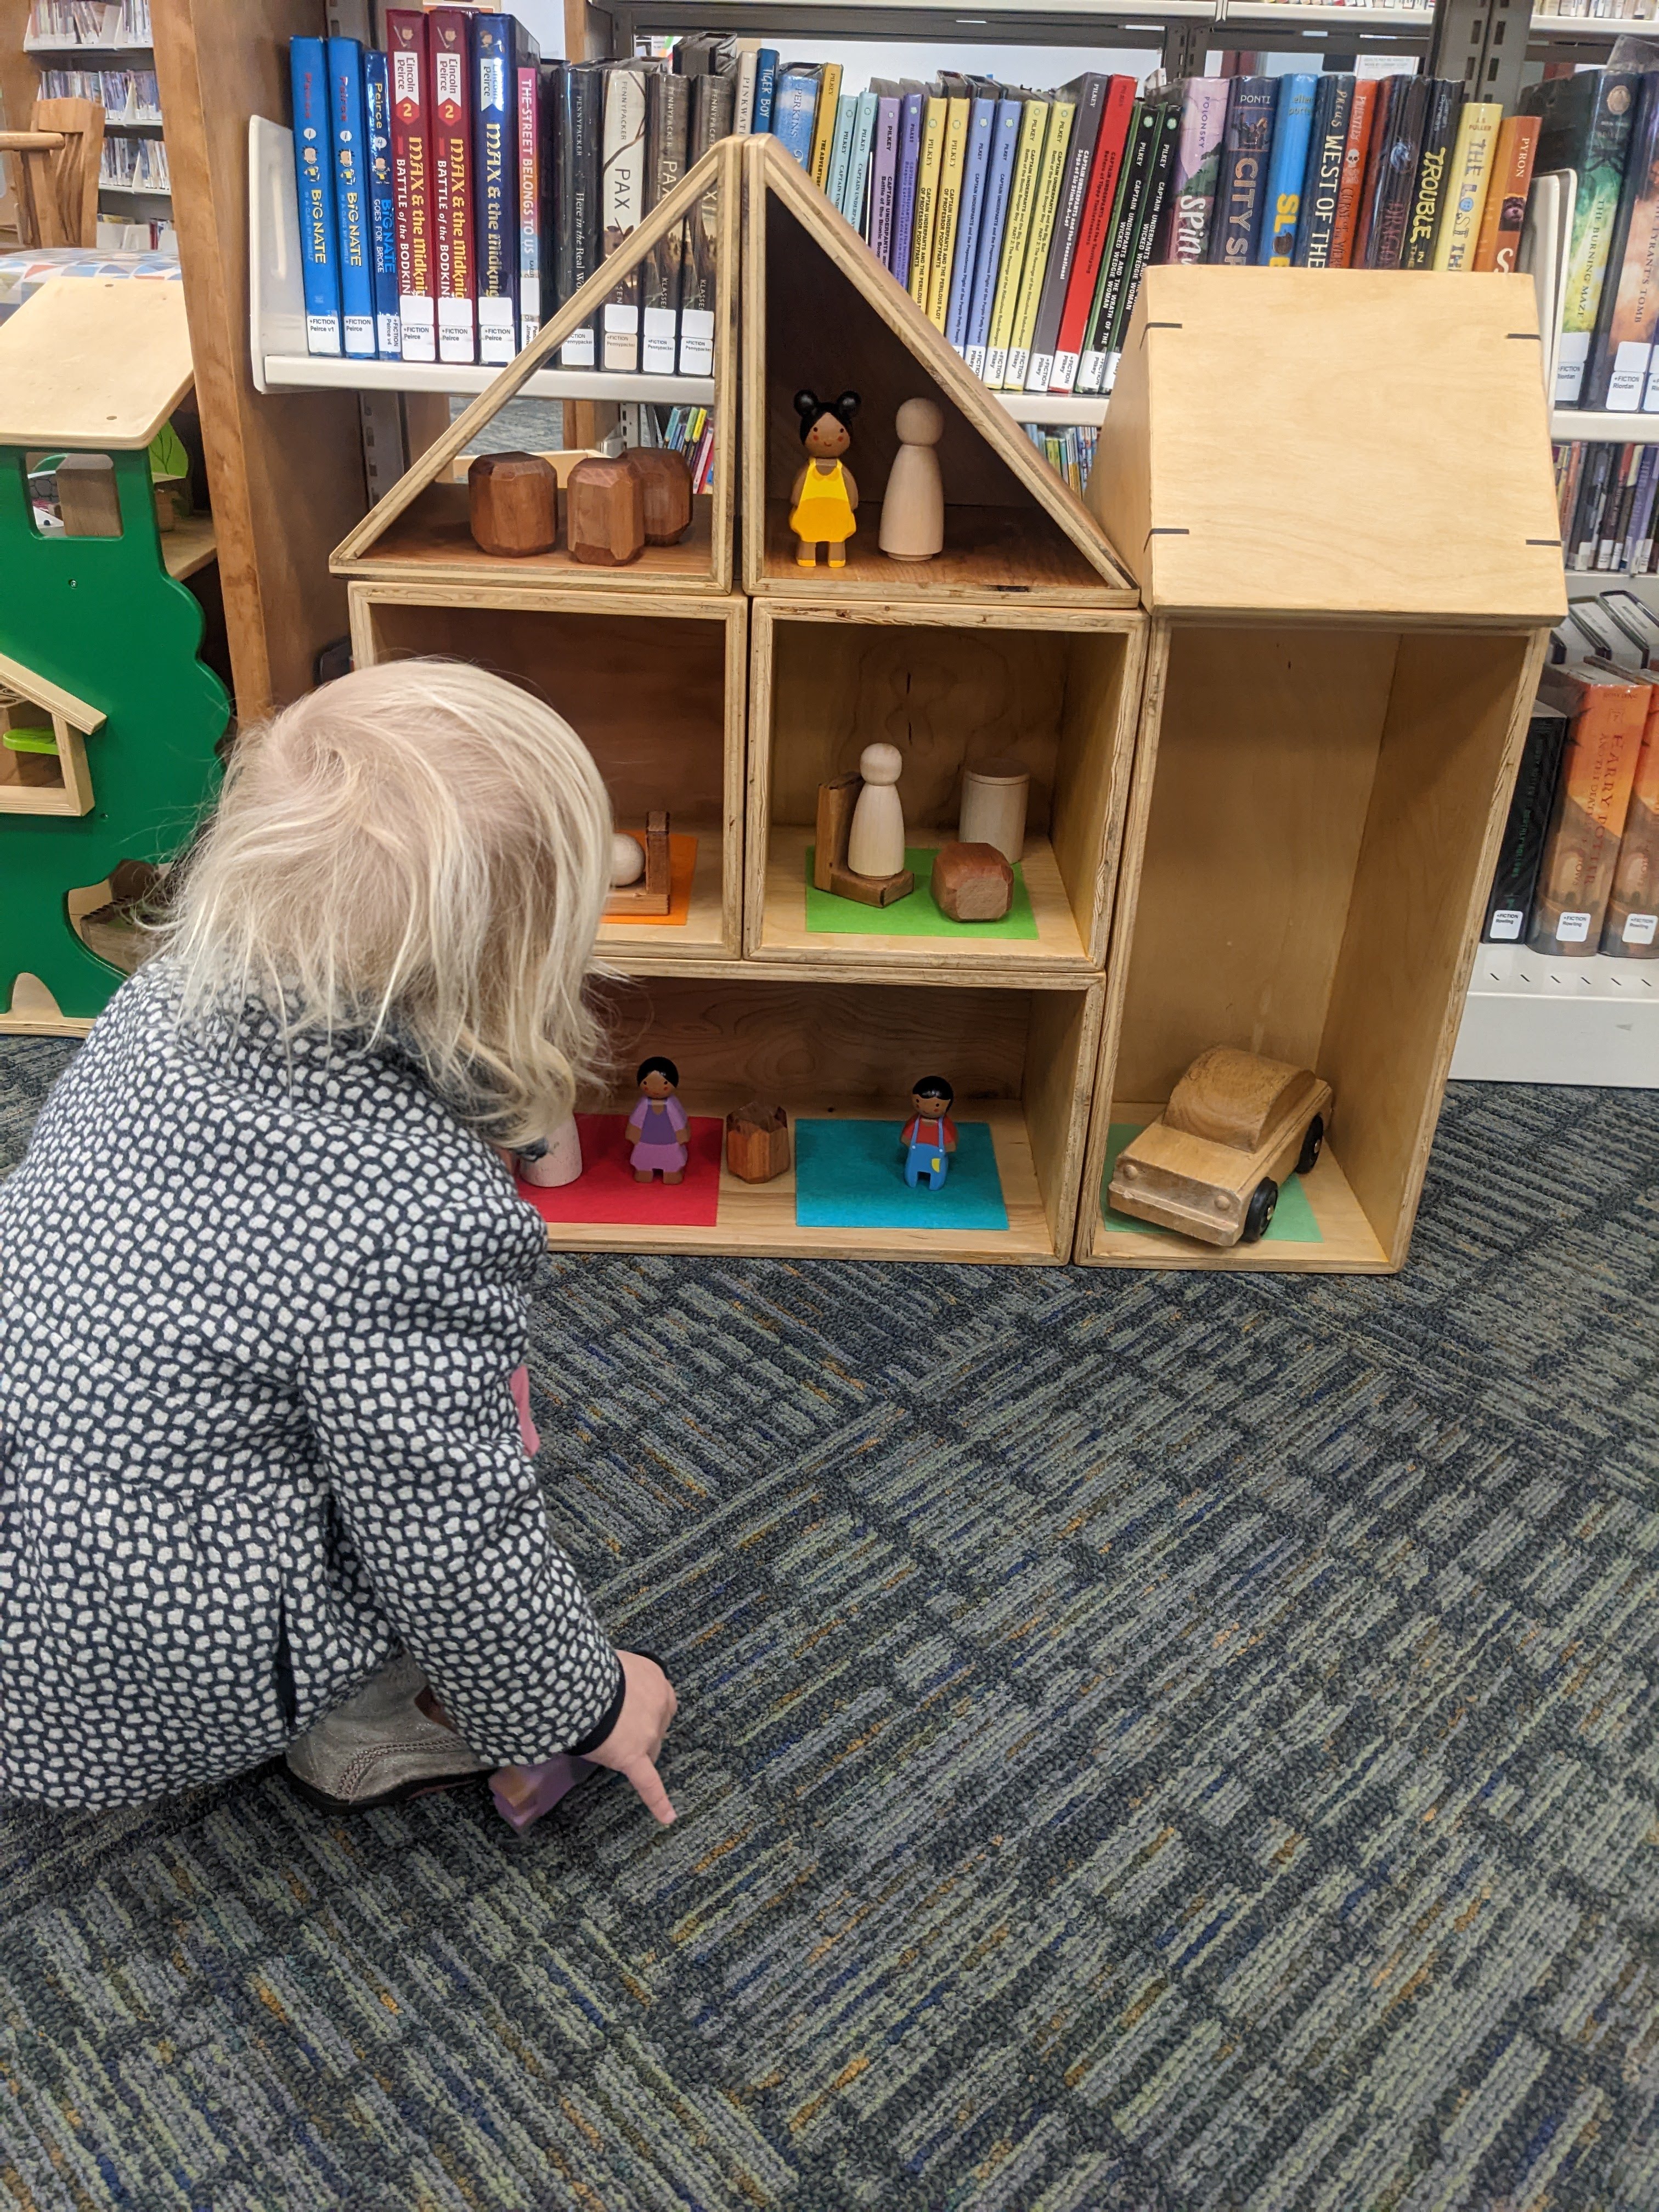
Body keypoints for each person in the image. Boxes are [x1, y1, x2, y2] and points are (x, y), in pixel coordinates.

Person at [0, 659, 678, 1822]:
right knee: (420, 1473)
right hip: (123, 1668)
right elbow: (446, 1528)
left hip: (33, 1536)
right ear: (520, 961)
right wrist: (588, 1700)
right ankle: (357, 1725)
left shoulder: (154, 1005)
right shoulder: (420, 1220)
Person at [788, 388, 860, 569]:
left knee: (837, 538)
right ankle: (806, 558)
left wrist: (851, 504)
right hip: (810, 512)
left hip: (837, 512)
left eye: (840, 431)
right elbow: (798, 491)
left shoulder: (841, 471)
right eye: (817, 430)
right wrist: (797, 501)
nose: (829, 440)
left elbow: (851, 492)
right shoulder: (809, 470)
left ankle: (836, 559)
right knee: (808, 537)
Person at [624, 1055, 689, 1183]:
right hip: (645, 1142)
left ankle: (672, 1175)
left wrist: (682, 1135)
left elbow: (679, 1122)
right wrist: (633, 1134)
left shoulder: (671, 1105)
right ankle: (644, 1173)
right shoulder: (643, 1105)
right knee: (644, 1162)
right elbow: (636, 1122)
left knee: (671, 1162)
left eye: (665, 1083)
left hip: (670, 1143)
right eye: (647, 1084)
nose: (655, 1090)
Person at [901, 1077, 957, 1190]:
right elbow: (906, 1137)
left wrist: (949, 1147)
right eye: (918, 1101)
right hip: (916, 1154)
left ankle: (935, 1185)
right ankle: (912, 1180)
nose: (926, 1108)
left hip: (936, 1156)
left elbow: (950, 1141)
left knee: (937, 1172)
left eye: (936, 1105)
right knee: (912, 1171)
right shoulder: (915, 1122)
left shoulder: (944, 1125)